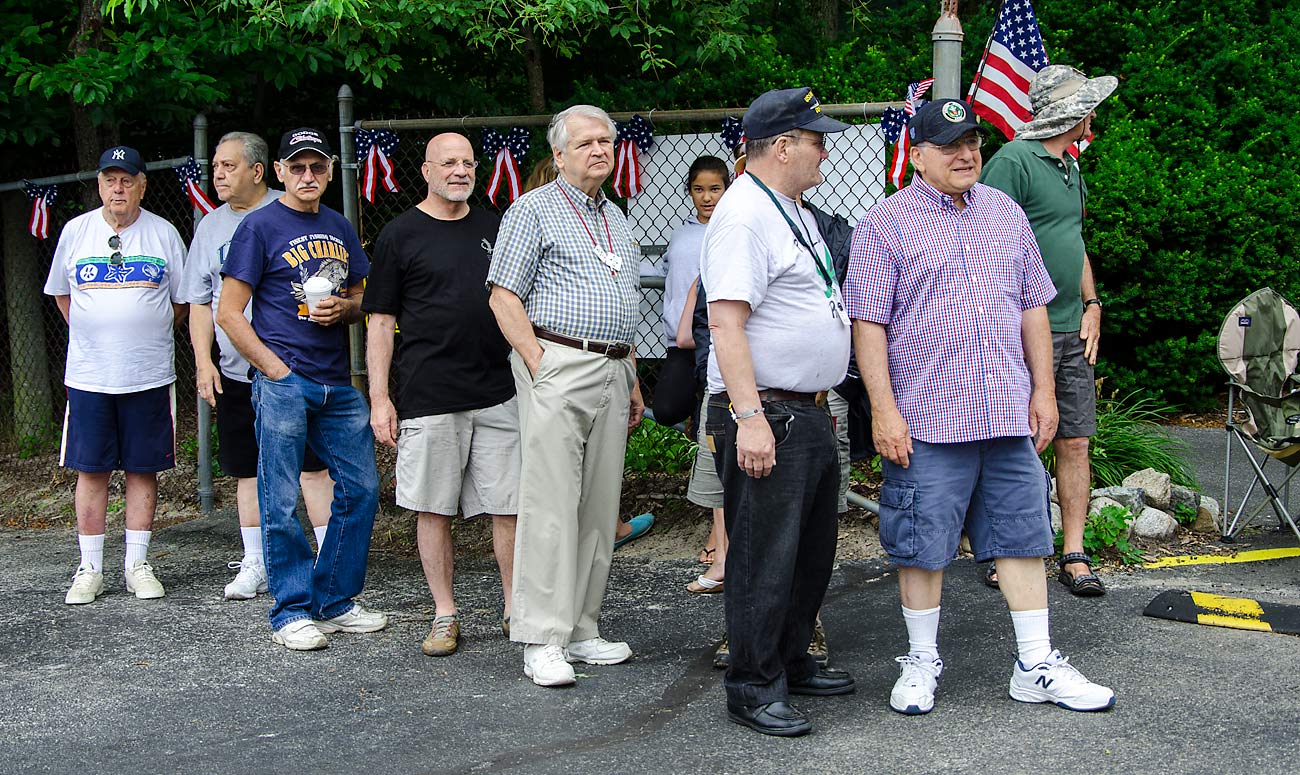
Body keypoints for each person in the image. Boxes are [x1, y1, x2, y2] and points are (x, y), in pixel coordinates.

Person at [844, 98, 1115, 715]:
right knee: (921, 541)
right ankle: (919, 662)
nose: (966, 154)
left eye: (971, 142)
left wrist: (1043, 391)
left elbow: (1033, 308)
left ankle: (1036, 665)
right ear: (917, 156)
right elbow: (869, 325)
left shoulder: (1006, 214)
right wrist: (882, 411)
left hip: (1004, 414)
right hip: (926, 418)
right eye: (949, 145)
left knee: (1023, 536)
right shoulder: (883, 223)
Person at [701, 87, 855, 737]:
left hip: (807, 410)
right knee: (764, 556)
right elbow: (726, 323)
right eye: (816, 138)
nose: (825, 148)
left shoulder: (788, 207)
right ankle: (753, 683)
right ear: (784, 145)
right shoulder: (743, 215)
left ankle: (790, 659)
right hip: (769, 411)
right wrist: (751, 417)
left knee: (808, 553)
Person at [486, 104, 646, 687]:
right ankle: (540, 637)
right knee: (551, 503)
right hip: (559, 361)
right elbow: (504, 297)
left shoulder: (617, 217)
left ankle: (581, 628)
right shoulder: (532, 211)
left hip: (611, 365)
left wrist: (630, 372)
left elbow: (624, 301)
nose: (599, 150)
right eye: (585, 144)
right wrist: (538, 362)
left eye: (606, 141)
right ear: (558, 155)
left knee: (598, 506)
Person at [218, 127, 385, 651]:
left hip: (336, 382)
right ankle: (290, 611)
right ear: (281, 173)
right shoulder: (259, 226)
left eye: (317, 167)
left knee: (361, 490)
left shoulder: (339, 225)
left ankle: (333, 601)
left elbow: (363, 296)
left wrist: (347, 308)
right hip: (286, 382)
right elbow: (228, 311)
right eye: (298, 167)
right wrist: (274, 371)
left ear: (330, 172)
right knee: (280, 495)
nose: (308, 176)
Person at [364, 132, 518, 657]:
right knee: (432, 508)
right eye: (448, 162)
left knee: (510, 506)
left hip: (499, 390)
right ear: (426, 171)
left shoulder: (496, 226)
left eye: (468, 162)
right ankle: (445, 614)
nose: (460, 170)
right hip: (428, 395)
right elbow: (381, 323)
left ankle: (516, 609)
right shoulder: (399, 235)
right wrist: (380, 399)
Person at [980, 65, 1119, 596]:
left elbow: (1073, 238)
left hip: (1071, 327)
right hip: (1021, 328)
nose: (1094, 117)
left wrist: (1092, 302)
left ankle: (1075, 553)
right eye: (1089, 108)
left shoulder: (1069, 166)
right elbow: (985, 238)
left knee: (1076, 439)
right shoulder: (1014, 161)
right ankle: (1007, 550)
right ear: (1074, 114)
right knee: (1017, 442)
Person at [180, 131, 335, 601]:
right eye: (216, 167)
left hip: (297, 367)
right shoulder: (210, 227)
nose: (218, 174)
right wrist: (203, 361)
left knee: (311, 468)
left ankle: (325, 561)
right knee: (249, 469)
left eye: (228, 166)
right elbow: (202, 303)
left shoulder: (291, 212)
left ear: (259, 171)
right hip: (235, 369)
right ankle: (257, 561)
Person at [45, 145, 187, 605]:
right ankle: (89, 568)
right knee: (92, 469)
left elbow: (182, 302)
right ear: (100, 185)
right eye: (110, 180)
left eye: (127, 180)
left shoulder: (163, 233)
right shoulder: (75, 231)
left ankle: (137, 565)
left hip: (148, 373)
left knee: (144, 469)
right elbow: (62, 295)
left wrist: (138, 331)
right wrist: (96, 332)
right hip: (89, 375)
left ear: (143, 184)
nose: (118, 188)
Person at [655, 155, 730, 595]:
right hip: (683, 345)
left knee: (716, 436)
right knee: (667, 409)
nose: (706, 197)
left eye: (714, 189)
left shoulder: (735, 228)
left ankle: (716, 536)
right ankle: (693, 417)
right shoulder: (682, 237)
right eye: (699, 190)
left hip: (718, 346)